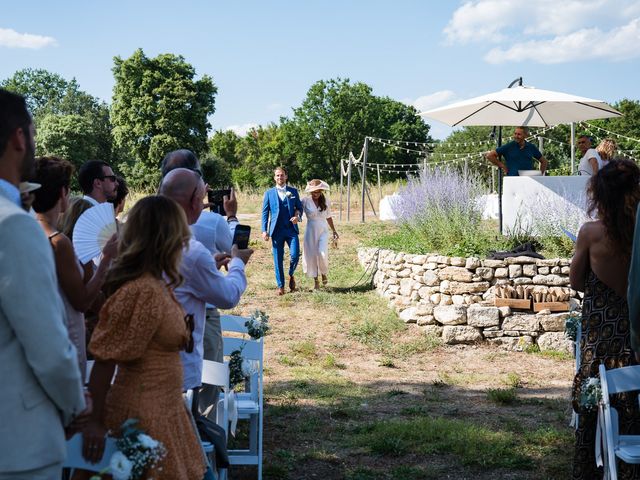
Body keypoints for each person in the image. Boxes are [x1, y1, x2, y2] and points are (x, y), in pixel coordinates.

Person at [82, 195, 207, 479]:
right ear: (166, 239)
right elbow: (105, 360)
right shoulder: (143, 291)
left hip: (166, 409)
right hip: (144, 413)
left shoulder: (156, 284)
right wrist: (95, 422)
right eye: (180, 236)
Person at [0, 88, 86, 480]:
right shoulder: (14, 225)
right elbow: (48, 346)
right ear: (20, 137)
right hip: (18, 443)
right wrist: (72, 405)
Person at [569, 159, 640, 478]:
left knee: (597, 395)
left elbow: (576, 281)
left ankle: (591, 467)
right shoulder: (637, 232)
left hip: (601, 331)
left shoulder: (591, 233)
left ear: (600, 193)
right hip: (634, 328)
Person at [160, 149, 240, 416]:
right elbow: (229, 295)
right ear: (197, 197)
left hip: (152, 345)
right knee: (206, 390)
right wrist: (238, 262)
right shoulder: (194, 248)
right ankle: (205, 440)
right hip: (192, 327)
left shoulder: (144, 232)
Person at [32, 156, 117, 379]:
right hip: (67, 336)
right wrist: (106, 259)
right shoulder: (58, 242)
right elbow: (81, 301)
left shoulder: (28, 232)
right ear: (62, 193)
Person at [262, 166, 303, 295]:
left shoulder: (293, 191)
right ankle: (281, 286)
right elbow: (265, 213)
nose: (280, 177)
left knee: (295, 255)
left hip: (291, 230)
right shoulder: (268, 193)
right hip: (276, 231)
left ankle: (291, 274)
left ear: (286, 176)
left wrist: (297, 217)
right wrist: (264, 230)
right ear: (274, 178)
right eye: (277, 175)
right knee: (277, 259)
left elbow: (299, 208)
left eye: (282, 175)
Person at [301, 179, 339, 289]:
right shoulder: (305, 201)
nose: (315, 193)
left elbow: (328, 216)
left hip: (323, 230)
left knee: (322, 253)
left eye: (317, 191)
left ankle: (323, 273)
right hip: (311, 230)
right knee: (312, 255)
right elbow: (298, 211)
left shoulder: (326, 201)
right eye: (313, 191)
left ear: (321, 190)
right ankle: (316, 281)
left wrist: (334, 230)